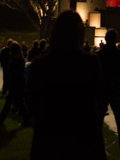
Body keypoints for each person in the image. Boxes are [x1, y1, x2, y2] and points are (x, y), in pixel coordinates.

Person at [28, 11, 106, 159]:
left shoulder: (40, 65)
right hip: (84, 137)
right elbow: (98, 98)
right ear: (80, 34)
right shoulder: (91, 64)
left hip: (48, 138)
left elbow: (32, 103)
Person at [96, 29, 120, 159]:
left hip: (103, 91)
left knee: (98, 123)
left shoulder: (99, 55)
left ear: (106, 38)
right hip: (116, 91)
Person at [0, 41, 28, 124]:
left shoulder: (16, 59)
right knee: (18, 102)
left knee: (11, 101)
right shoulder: (20, 58)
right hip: (19, 83)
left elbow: (13, 71)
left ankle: (2, 118)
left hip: (16, 83)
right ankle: (26, 120)